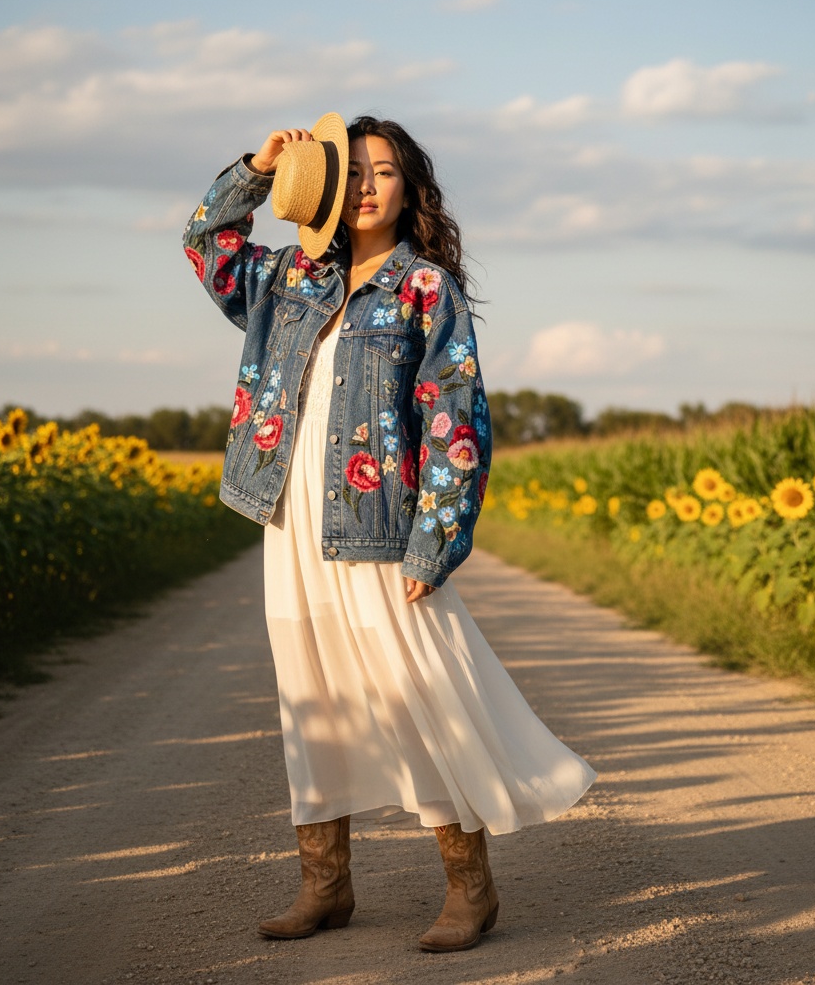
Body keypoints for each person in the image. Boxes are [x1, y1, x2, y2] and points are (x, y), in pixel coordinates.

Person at [182, 113, 596, 952]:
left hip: (378, 526)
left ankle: (468, 890)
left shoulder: (424, 290)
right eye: (353, 171)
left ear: (410, 190)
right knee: (314, 700)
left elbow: (457, 418)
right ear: (331, 184)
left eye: (385, 172)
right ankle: (324, 885)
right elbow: (205, 242)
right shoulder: (289, 278)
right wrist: (260, 171)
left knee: (418, 695)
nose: (367, 185)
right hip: (289, 517)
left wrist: (436, 539)